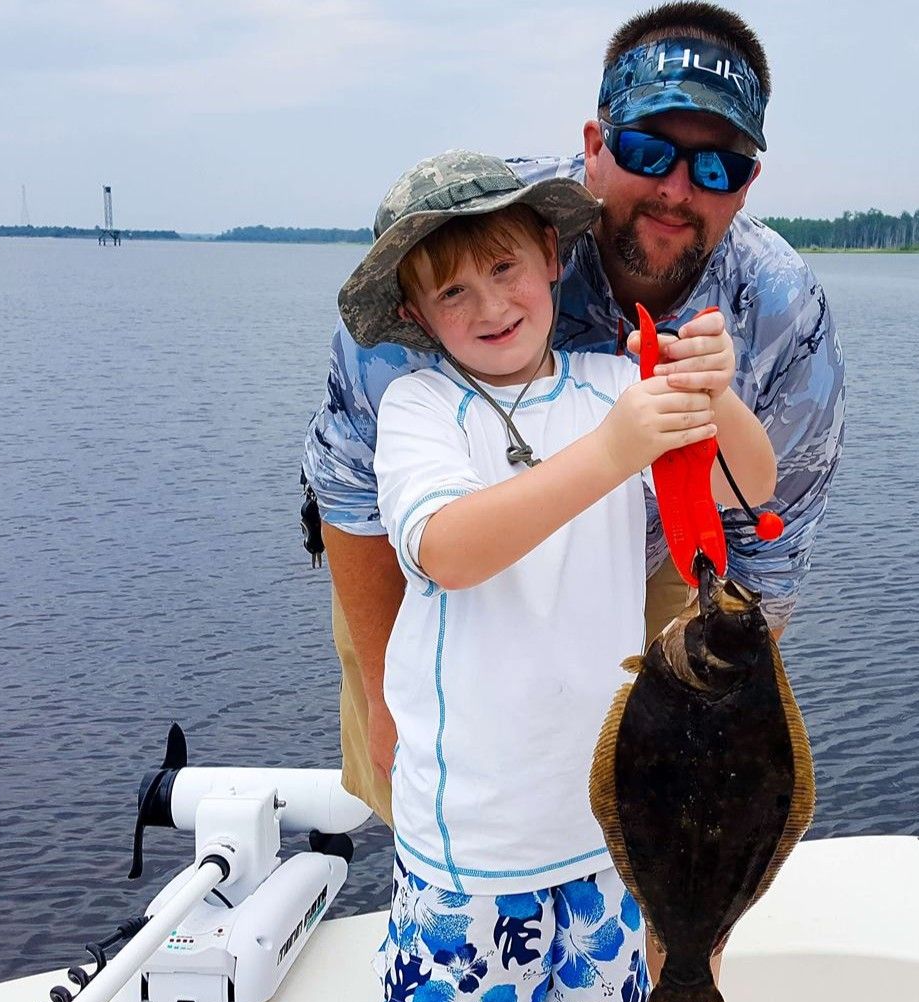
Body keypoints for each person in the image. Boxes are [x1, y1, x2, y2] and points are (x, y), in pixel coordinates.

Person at [305, 1, 845, 825]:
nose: (675, 190)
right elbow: (349, 489)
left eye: (715, 168)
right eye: (646, 150)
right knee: (422, 784)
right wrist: (383, 693)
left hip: (652, 548)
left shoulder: (776, 306)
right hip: (438, 554)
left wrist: (736, 727)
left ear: (745, 186)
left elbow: (769, 513)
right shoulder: (460, 235)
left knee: (684, 822)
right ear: (595, 144)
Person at [344, 149, 776, 1002]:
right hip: (469, 852)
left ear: (550, 255)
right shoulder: (421, 410)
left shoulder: (615, 384)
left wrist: (709, 390)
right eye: (452, 290)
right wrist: (615, 450)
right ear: (414, 312)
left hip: (603, 841)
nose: (491, 305)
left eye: (504, 267)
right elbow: (447, 548)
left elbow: (753, 483)